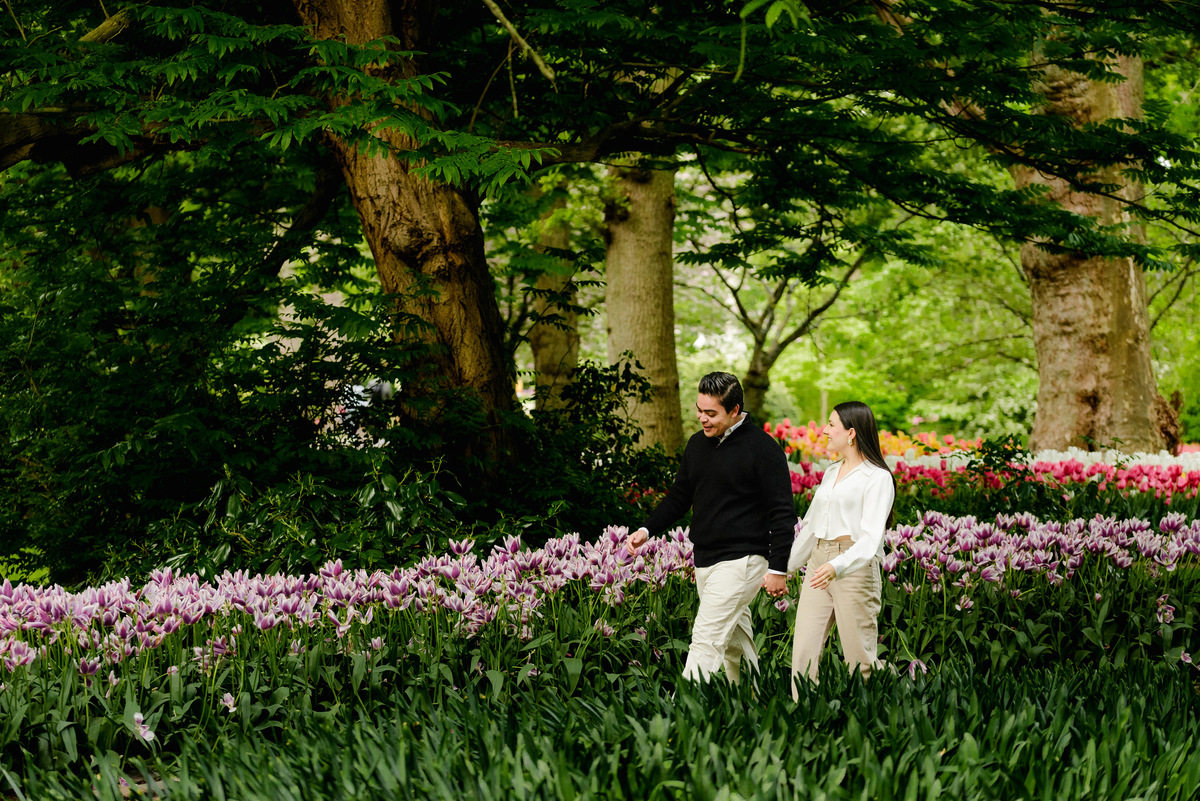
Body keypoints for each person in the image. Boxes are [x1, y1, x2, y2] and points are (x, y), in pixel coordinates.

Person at [626, 372, 796, 684]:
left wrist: (778, 568)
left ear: (734, 410)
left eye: (711, 413)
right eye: (699, 410)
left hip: (743, 560)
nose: (702, 418)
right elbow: (679, 497)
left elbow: (782, 513)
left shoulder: (763, 449)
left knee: (706, 639)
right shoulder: (697, 444)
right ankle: (751, 699)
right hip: (705, 558)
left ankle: (681, 708)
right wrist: (647, 530)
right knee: (735, 644)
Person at [788, 400, 895, 697]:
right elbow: (811, 526)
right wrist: (784, 568)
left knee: (859, 658)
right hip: (818, 560)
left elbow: (871, 538)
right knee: (804, 650)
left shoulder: (877, 477)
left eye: (831, 424)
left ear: (851, 433)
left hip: (854, 568)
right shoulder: (831, 471)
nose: (824, 430)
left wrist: (837, 566)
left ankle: (871, 712)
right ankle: (803, 710)